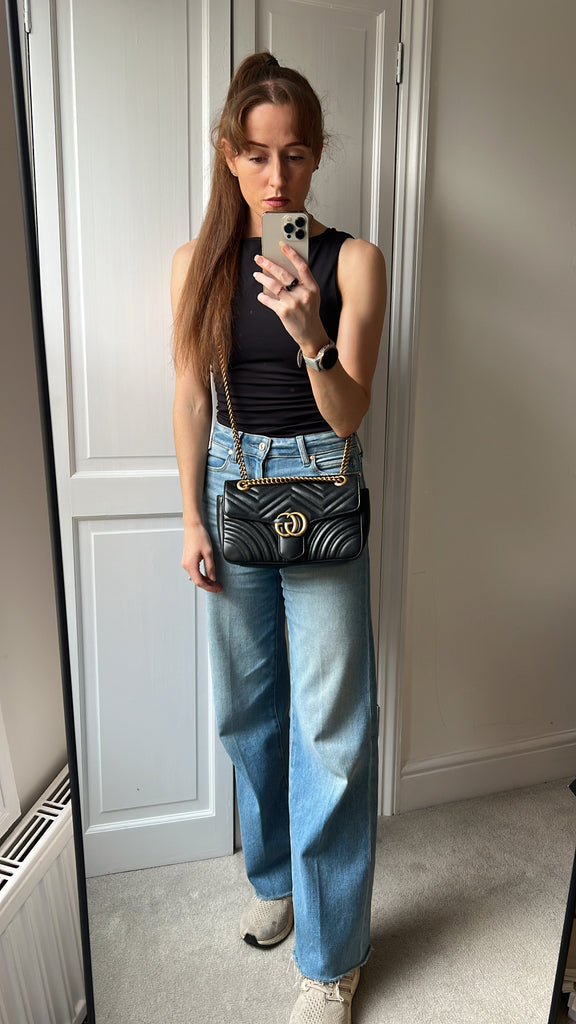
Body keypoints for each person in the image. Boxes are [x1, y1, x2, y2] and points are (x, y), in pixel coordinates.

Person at [171, 51, 387, 1024]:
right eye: (256, 155)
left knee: (333, 729)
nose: (275, 176)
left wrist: (310, 333)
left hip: (322, 482)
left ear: (316, 155)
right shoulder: (197, 264)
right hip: (231, 484)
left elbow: (349, 414)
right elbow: (190, 398)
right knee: (246, 711)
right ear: (228, 154)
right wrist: (189, 514)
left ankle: (331, 959)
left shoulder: (354, 261)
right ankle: (276, 879)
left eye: (293, 154)